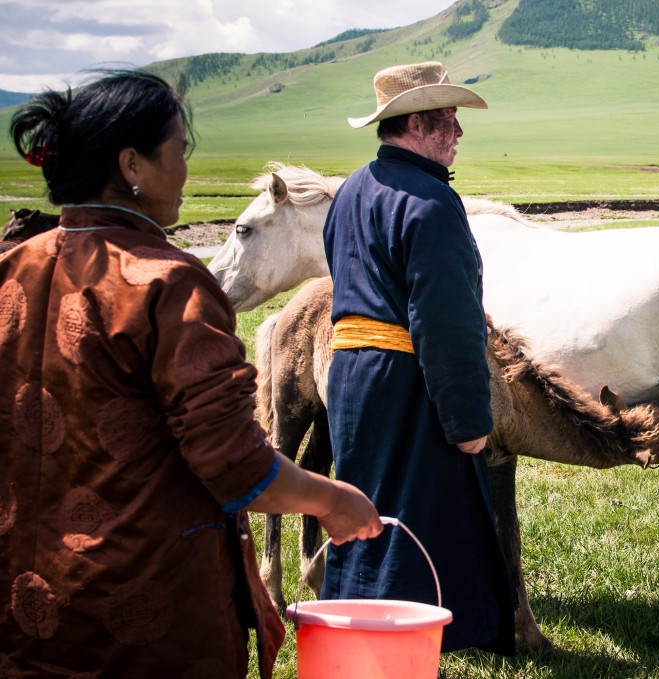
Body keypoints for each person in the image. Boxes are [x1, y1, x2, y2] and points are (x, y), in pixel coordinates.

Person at [0, 69, 382, 678]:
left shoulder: (12, 268)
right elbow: (236, 467)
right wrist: (331, 498)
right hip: (143, 614)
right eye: (180, 151)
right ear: (133, 165)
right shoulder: (167, 284)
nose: (183, 169)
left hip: (25, 608)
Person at [321, 61, 516, 655]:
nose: (459, 134)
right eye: (451, 122)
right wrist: (468, 426)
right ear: (420, 125)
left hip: (353, 380)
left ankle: (352, 636)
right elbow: (446, 324)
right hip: (409, 383)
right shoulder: (431, 203)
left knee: (366, 510)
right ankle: (400, 648)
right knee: (419, 518)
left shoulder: (352, 189)